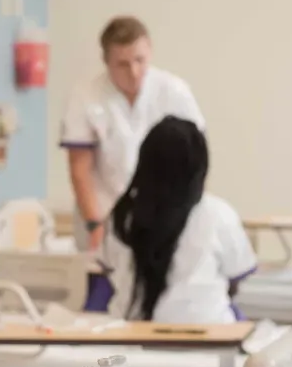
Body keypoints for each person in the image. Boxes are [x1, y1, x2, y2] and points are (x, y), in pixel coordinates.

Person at [60, 16, 205, 251]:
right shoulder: (85, 95)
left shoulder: (174, 92)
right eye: (122, 64)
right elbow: (80, 170)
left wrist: (184, 214)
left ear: (150, 51)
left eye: (140, 60)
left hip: (164, 217)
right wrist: (94, 224)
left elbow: (195, 161)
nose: (134, 72)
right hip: (103, 216)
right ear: (106, 61)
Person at [98, 116, 258, 323]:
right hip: (209, 336)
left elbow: (109, 275)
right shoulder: (218, 214)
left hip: (131, 336)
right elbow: (239, 277)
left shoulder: (123, 216)